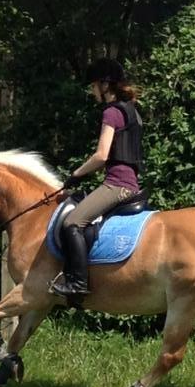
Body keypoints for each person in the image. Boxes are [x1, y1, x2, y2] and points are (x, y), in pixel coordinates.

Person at [49, 57, 143, 298]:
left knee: (73, 222)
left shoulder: (112, 112)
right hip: (130, 182)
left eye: (93, 86)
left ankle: (77, 283)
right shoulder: (132, 111)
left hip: (118, 185)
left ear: (104, 85)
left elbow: (101, 155)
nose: (92, 92)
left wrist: (75, 175)